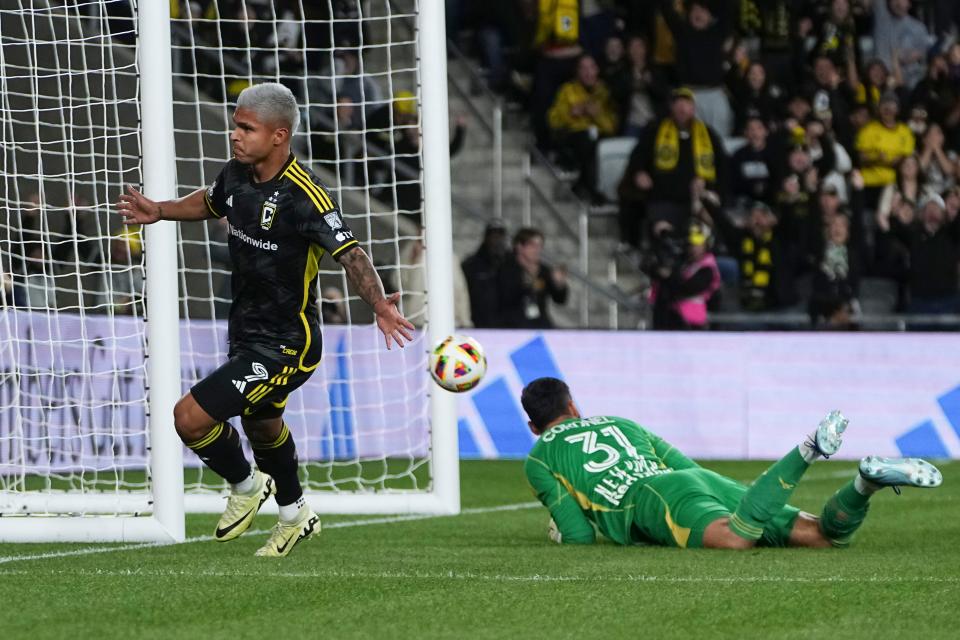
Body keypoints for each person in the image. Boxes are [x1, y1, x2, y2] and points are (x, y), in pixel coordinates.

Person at [116, 82, 415, 557]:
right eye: (235, 125)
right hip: (246, 331)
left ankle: (246, 484)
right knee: (262, 424)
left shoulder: (306, 196)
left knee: (189, 418)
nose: (235, 135)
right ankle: (295, 513)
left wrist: (379, 305)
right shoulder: (237, 173)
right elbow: (210, 201)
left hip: (287, 343)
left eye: (246, 128)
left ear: (279, 135)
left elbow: (351, 254)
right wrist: (161, 211)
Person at [521, 376, 942, 549]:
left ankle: (808, 450)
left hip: (650, 499)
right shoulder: (620, 422)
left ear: (533, 426)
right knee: (823, 537)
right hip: (690, 480)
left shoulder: (539, 457)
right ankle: (865, 484)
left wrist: (563, 533)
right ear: (574, 406)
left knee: (735, 538)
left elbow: (578, 535)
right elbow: (684, 464)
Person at [495, 227, 568, 329]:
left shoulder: (544, 271)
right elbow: (505, 297)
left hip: (539, 324)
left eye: (540, 246)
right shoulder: (505, 269)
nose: (537, 250)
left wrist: (559, 284)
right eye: (533, 245)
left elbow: (560, 300)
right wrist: (526, 285)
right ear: (519, 246)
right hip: (512, 326)